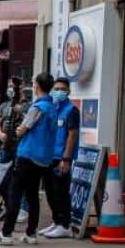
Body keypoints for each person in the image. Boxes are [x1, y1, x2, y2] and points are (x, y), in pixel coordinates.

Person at [0, 72, 58, 246]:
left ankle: (6, 233)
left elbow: (22, 129)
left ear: (37, 86)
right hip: (43, 158)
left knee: (15, 193)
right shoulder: (52, 107)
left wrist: (20, 129)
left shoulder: (38, 107)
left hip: (28, 155)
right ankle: (30, 233)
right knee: (33, 195)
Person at [39, 77, 80, 238]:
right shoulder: (53, 108)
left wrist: (66, 159)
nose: (58, 92)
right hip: (49, 156)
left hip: (61, 158)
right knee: (50, 191)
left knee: (60, 191)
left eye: (62, 89)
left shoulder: (71, 110)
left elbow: (72, 135)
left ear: (68, 91)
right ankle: (56, 221)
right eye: (56, 89)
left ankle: (65, 224)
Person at [0, 77, 29, 221]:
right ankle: (9, 205)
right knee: (4, 179)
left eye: (13, 86)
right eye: (9, 86)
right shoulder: (4, 105)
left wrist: (21, 112)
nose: (11, 89)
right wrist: (0, 133)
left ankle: (23, 208)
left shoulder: (29, 105)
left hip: (21, 147)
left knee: (21, 178)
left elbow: (31, 123)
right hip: (6, 146)